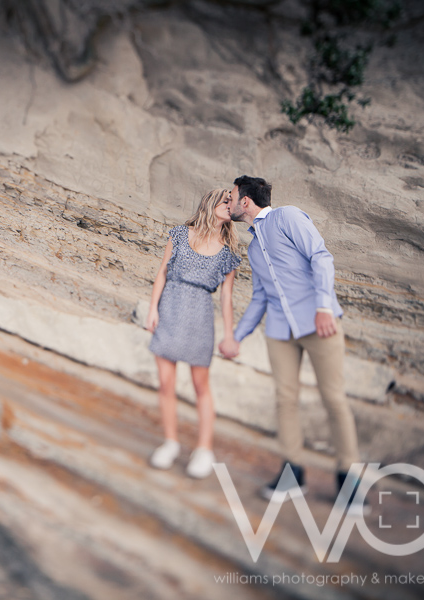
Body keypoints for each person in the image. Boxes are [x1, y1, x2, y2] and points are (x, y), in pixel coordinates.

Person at [218, 175, 368, 514]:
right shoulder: (254, 247)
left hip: (319, 322)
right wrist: (235, 338)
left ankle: (349, 481)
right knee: (285, 399)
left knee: (334, 399)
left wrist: (324, 307)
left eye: (231, 197)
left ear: (246, 201)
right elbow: (259, 298)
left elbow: (321, 258)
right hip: (280, 331)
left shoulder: (288, 217)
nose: (228, 202)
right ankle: (292, 473)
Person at [145, 189, 241, 479]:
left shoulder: (228, 254)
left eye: (233, 202)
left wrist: (229, 334)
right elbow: (162, 272)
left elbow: (226, 298)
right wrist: (153, 308)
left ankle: (203, 449)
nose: (230, 206)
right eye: (226, 201)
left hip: (200, 317)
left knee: (201, 386)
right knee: (165, 382)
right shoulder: (178, 234)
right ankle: (171, 443)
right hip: (171, 308)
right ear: (211, 204)